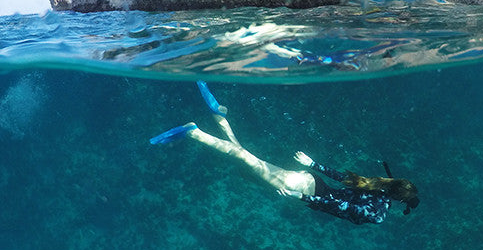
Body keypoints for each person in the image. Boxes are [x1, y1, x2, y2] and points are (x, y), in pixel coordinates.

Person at [150, 81, 419, 225]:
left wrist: (314, 165)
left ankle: (220, 115)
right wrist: (300, 195)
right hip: (306, 190)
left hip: (312, 184)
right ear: (399, 201)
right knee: (244, 159)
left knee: (246, 160)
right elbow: (341, 205)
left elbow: (343, 180)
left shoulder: (379, 187)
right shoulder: (379, 213)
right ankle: (194, 132)